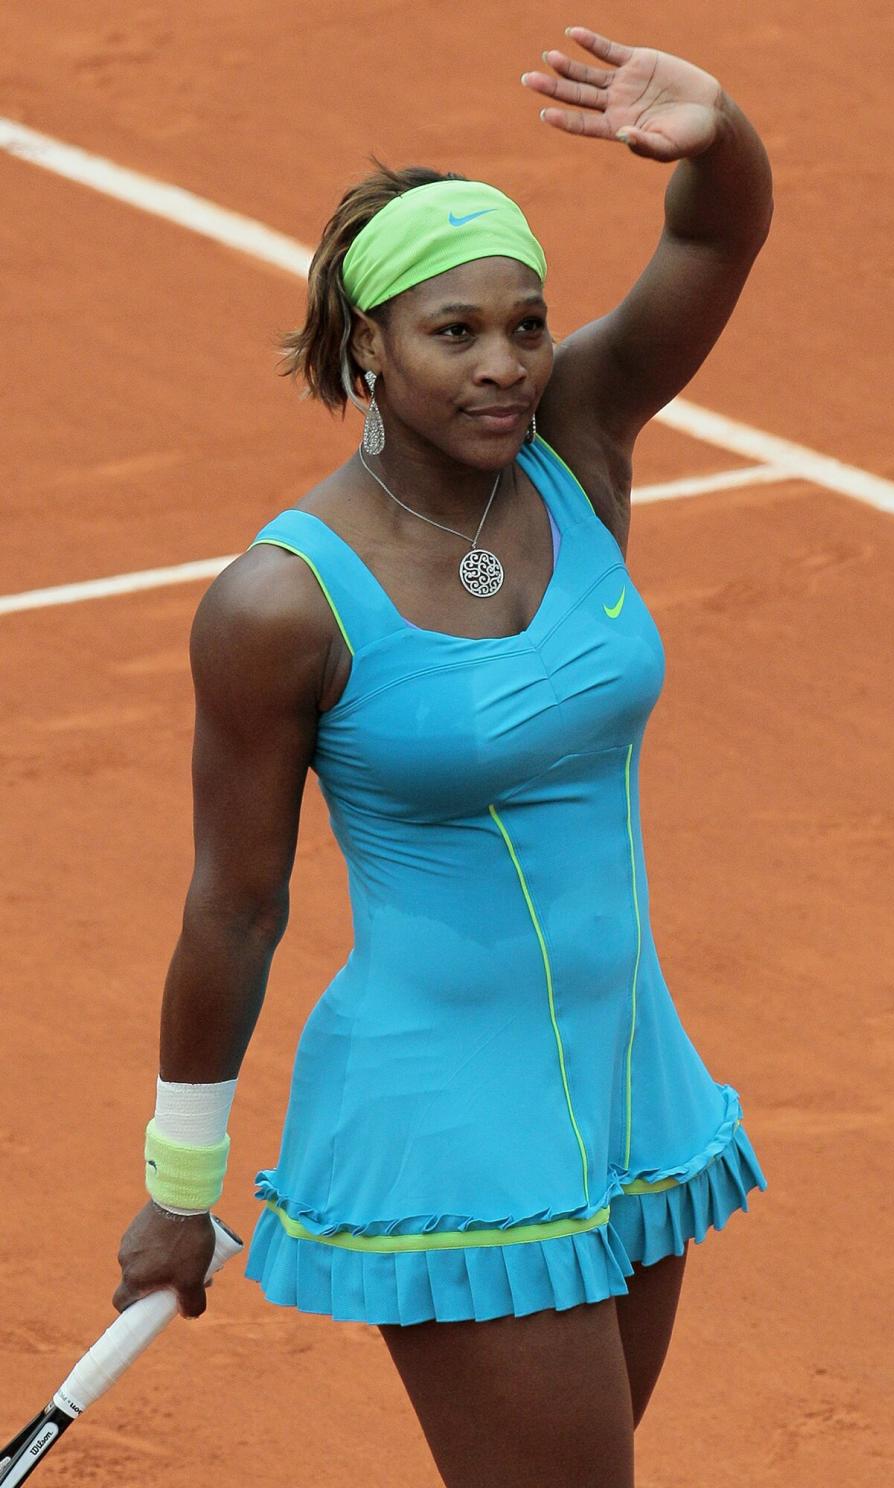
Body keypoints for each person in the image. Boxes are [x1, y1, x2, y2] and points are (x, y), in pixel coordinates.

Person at [114, 27, 773, 1488]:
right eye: (453, 333)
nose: (506, 367)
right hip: (456, 1116)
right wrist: (178, 1186)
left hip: (627, 1076)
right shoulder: (280, 603)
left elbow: (717, 238)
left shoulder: (580, 446)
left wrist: (718, 135)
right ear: (368, 345)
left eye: (526, 326)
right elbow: (236, 903)